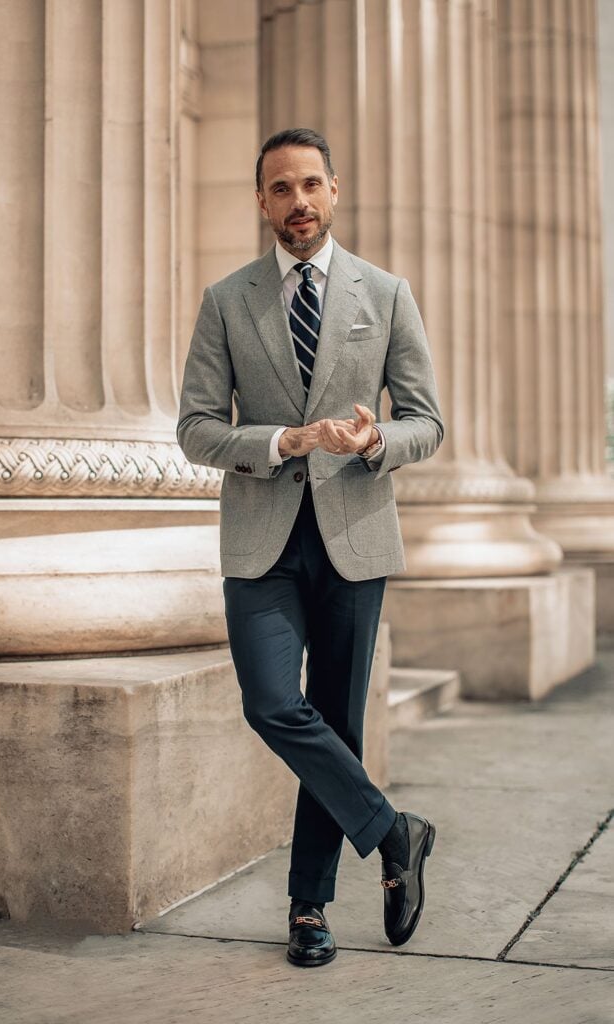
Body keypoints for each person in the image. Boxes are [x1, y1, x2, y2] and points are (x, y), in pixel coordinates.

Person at [177, 127, 444, 968]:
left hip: (355, 538)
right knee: (270, 702)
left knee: (334, 719)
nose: (297, 201)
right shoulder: (227, 299)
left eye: (310, 185)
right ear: (261, 201)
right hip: (261, 542)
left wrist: (372, 445)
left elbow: (429, 421)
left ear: (335, 191)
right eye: (280, 188)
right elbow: (193, 429)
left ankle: (308, 908)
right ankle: (392, 831)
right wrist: (285, 441)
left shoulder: (387, 293)